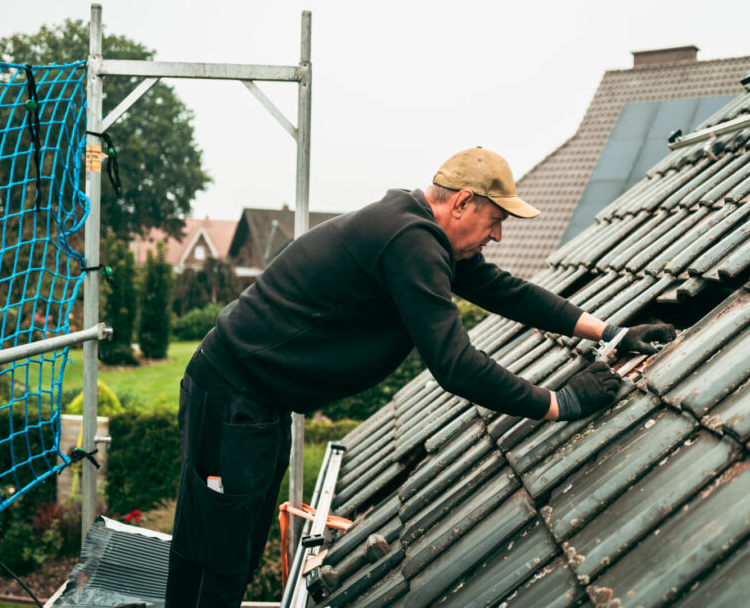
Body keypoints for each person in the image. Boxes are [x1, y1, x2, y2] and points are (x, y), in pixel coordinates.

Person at [164, 147, 676, 606]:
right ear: (462, 204)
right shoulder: (411, 241)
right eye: (494, 219)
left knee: (230, 545)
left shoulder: (420, 231)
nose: (496, 234)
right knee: (218, 561)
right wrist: (561, 403)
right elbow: (454, 365)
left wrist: (610, 332)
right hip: (231, 397)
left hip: (255, 402)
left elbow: (509, 292)